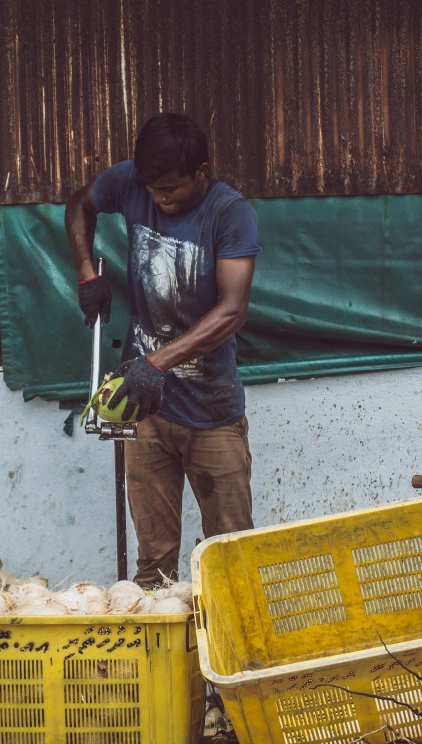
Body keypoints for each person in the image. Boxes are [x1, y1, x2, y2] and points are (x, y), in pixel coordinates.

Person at [64, 112, 260, 587]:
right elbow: (79, 204)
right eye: (152, 190)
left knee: (231, 555)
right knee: (153, 566)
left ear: (201, 171)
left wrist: (157, 362)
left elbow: (232, 310)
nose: (159, 199)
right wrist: (87, 271)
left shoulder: (229, 213)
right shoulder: (131, 180)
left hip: (211, 412)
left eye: (171, 189)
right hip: (144, 408)